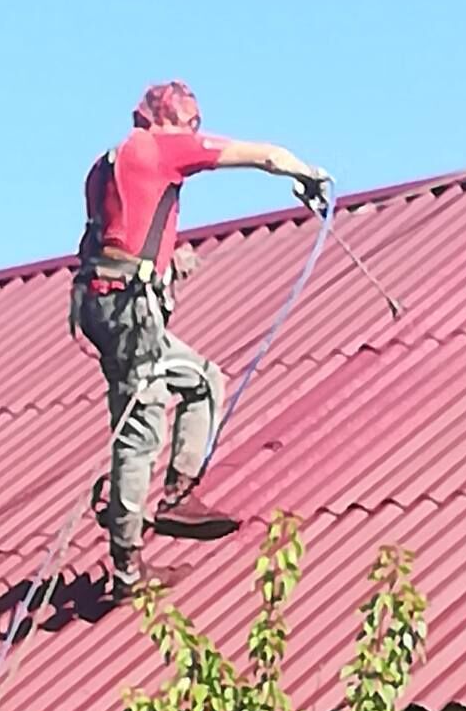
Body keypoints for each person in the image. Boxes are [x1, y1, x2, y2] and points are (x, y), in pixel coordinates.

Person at [73, 80, 329, 600]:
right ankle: (126, 569)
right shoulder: (166, 146)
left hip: (104, 302)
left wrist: (165, 264)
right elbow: (264, 156)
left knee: (202, 380)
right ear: (172, 120)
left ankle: (179, 494)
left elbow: (109, 235)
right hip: (130, 311)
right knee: (138, 430)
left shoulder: (104, 165)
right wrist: (307, 174)